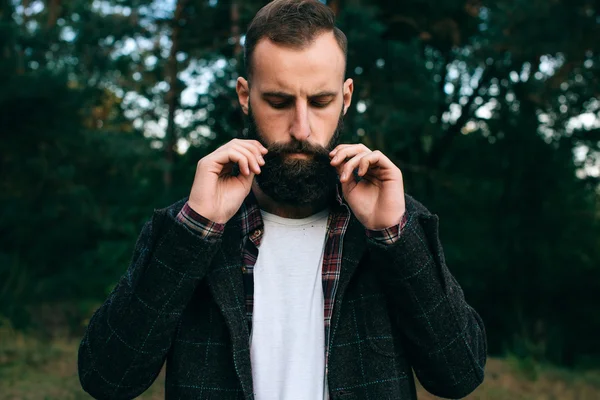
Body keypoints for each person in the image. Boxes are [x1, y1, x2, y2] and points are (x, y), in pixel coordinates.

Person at [78, 0, 487, 399]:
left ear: (345, 98)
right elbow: (106, 379)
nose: (301, 128)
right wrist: (195, 228)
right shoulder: (188, 226)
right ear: (245, 95)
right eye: (279, 101)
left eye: (321, 101)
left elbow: (459, 375)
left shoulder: (392, 221)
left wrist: (394, 236)